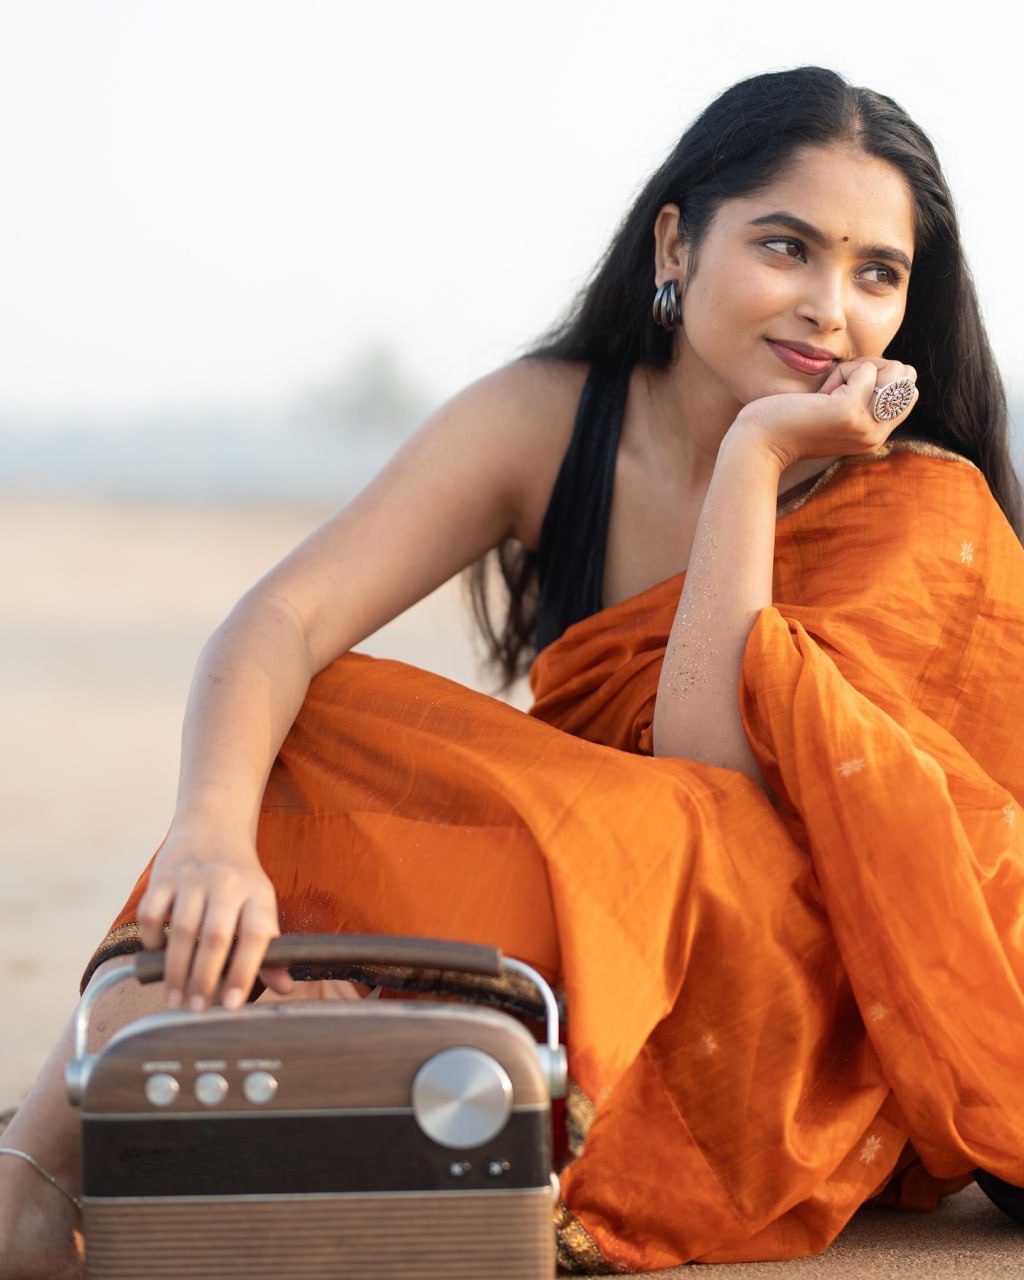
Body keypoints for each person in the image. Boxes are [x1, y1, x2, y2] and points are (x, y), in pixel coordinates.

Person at [3, 64, 1024, 1278]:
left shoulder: (918, 508)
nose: (828, 307)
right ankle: (52, 1151)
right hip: (579, 899)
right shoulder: (550, 423)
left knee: (664, 830)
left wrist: (754, 461)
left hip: (759, 996)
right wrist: (210, 832)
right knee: (324, 708)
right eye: (785, 246)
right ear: (675, 244)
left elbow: (714, 789)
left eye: (876, 273)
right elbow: (283, 615)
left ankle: (323, 1079)